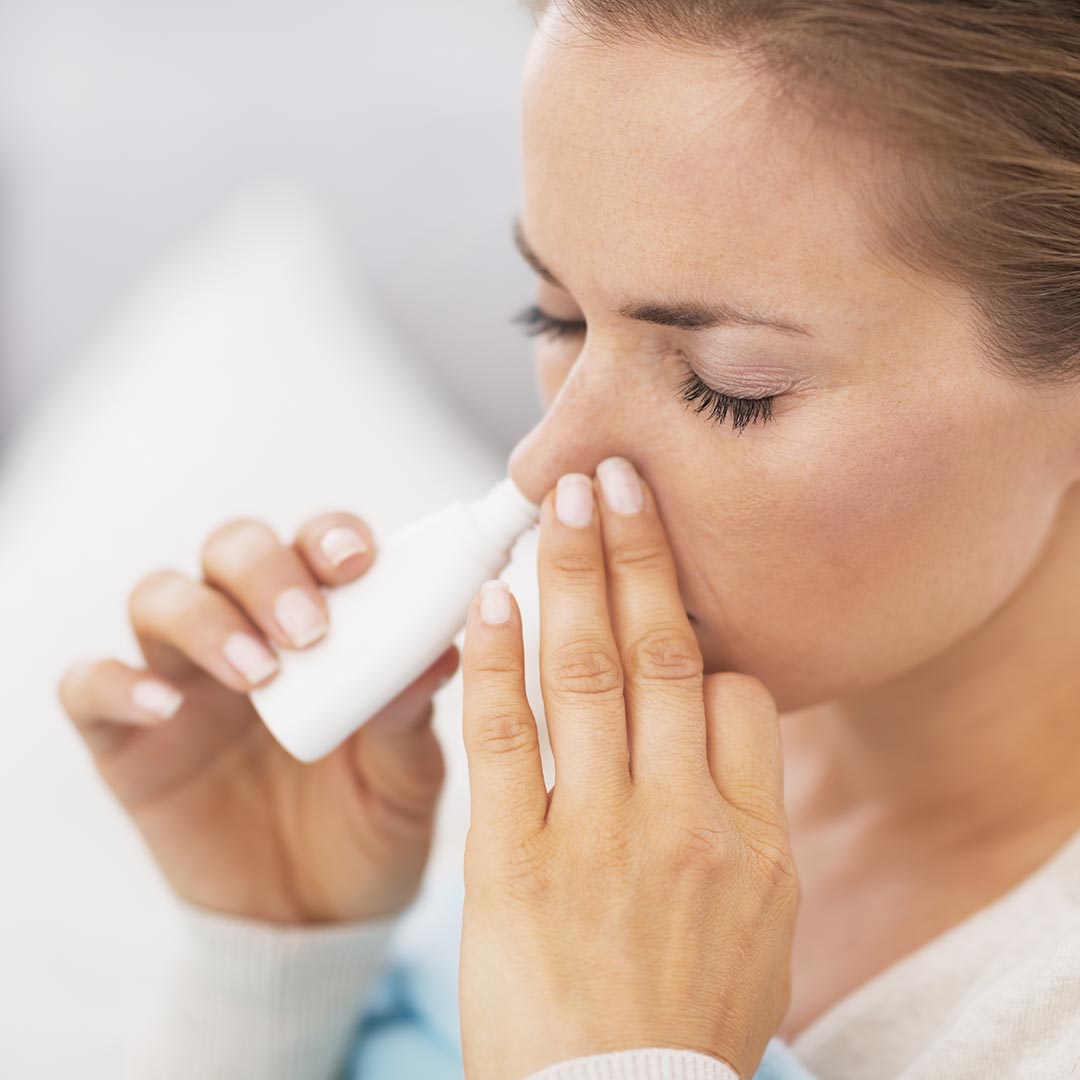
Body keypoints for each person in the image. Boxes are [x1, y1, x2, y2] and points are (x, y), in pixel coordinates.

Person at [58, 1, 1080, 1077]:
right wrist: (273, 979)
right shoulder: (553, 776)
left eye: (728, 385)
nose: (544, 465)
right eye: (556, 318)